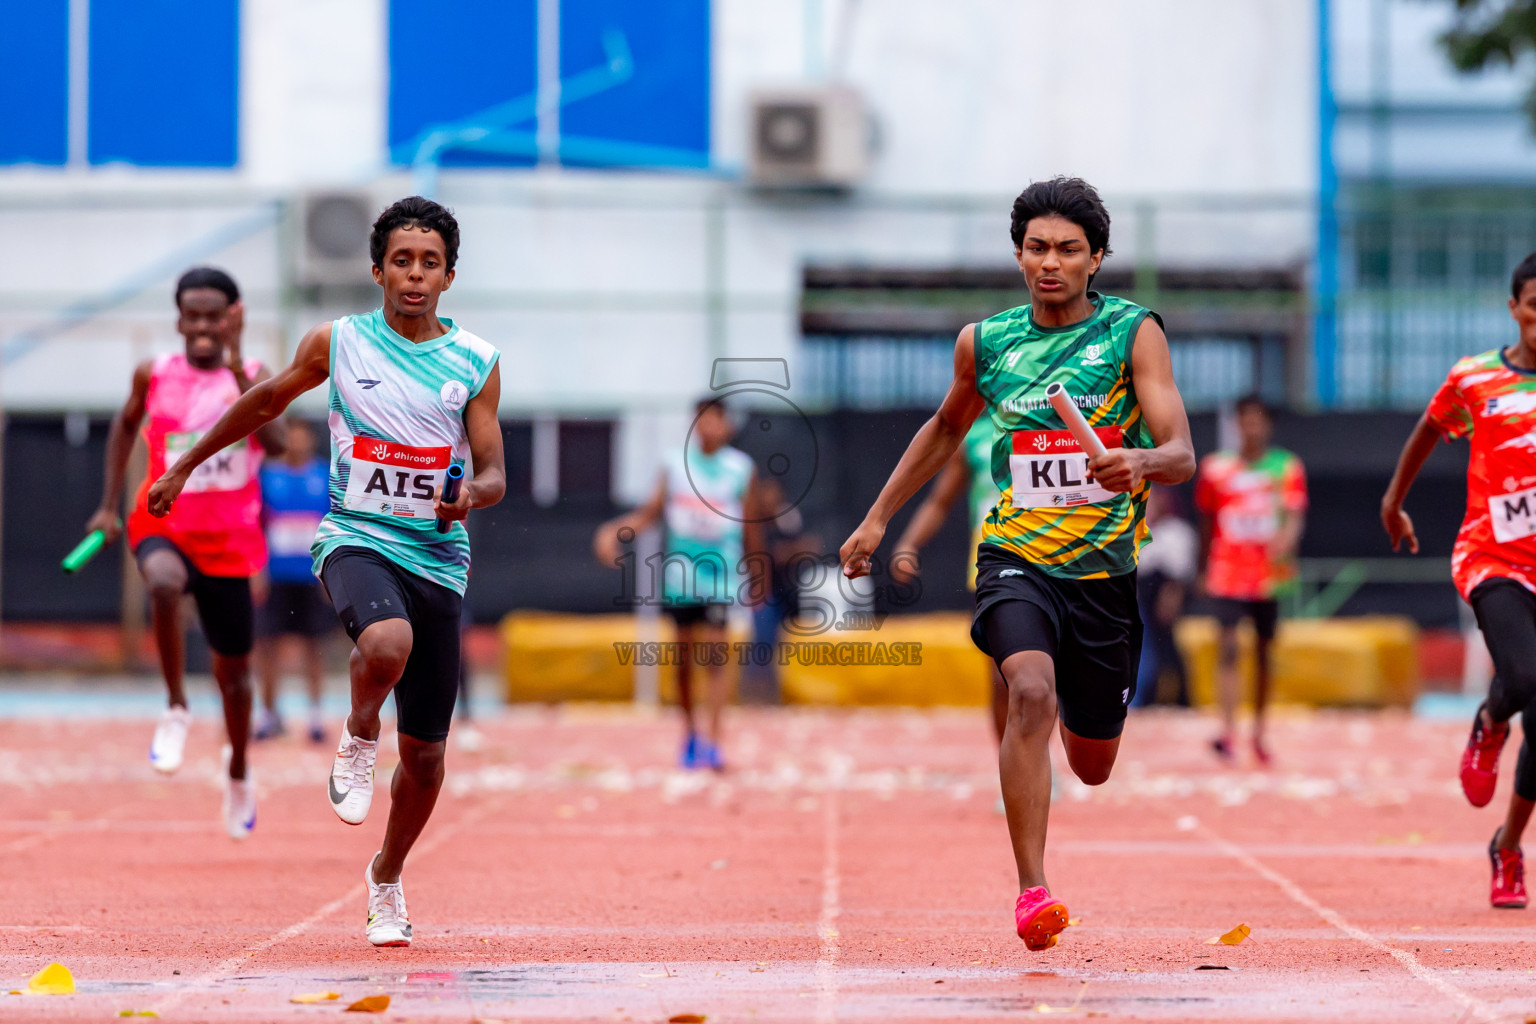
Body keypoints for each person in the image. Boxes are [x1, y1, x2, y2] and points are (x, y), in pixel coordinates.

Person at [839, 177, 1194, 951]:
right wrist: (877, 518)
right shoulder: (986, 342)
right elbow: (942, 429)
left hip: (1103, 572)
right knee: (1028, 690)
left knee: (1093, 763)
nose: (1051, 263)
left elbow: (1181, 453)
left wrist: (1138, 461)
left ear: (1097, 258)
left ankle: (1081, 728)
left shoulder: (1135, 334)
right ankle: (1033, 891)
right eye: (1037, 248)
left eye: (1069, 250)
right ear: (1018, 254)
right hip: (1013, 556)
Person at [147, 197, 505, 946]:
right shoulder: (338, 342)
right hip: (355, 537)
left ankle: (386, 877)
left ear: (447, 276)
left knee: (431, 758)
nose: (414, 275)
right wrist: (185, 464)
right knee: (384, 646)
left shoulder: (476, 361)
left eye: (429, 263)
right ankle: (358, 726)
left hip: (438, 556)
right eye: (401, 261)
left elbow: (496, 471)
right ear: (377, 269)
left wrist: (469, 493)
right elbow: (265, 400)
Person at [87, 267, 284, 840]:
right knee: (164, 584)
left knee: (236, 675)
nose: (202, 326)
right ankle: (175, 705)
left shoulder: (254, 376)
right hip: (163, 520)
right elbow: (124, 428)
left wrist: (238, 359)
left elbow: (274, 443)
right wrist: (106, 504)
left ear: (232, 317)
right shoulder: (153, 374)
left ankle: (239, 767)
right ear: (178, 319)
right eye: (192, 315)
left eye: (214, 316)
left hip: (228, 540)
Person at [1383, 250, 1536, 911]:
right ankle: (1491, 718)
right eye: (1535, 305)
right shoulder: (1475, 378)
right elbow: (1427, 428)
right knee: (1526, 681)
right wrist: (1394, 501)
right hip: (1492, 559)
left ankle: (1507, 847)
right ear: (1515, 308)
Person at [593, 398, 762, 770]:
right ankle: (690, 734)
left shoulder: (740, 468)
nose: (709, 426)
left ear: (727, 425)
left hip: (722, 578)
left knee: (716, 660)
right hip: (681, 579)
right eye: (701, 419)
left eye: (716, 418)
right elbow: (651, 513)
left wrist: (757, 576)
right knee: (684, 664)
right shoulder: (675, 466)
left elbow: (751, 525)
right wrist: (615, 531)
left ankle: (715, 741)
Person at [1194, 395, 1307, 764]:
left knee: (1263, 652)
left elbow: (1293, 516)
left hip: (1268, 576)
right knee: (1227, 647)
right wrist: (1202, 567)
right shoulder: (1215, 469)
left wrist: (1284, 543)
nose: (1251, 427)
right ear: (1236, 424)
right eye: (1245, 420)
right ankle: (1227, 731)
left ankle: (1258, 731)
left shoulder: (1286, 467)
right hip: (1226, 572)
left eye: (1258, 420)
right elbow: (1207, 522)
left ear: (1267, 425)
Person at [891, 418, 1010, 759]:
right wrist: (908, 544)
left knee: (1052, 675)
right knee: (1005, 678)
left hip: (1056, 560)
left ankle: (1041, 758)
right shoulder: (975, 437)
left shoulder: (1058, 418)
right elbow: (939, 502)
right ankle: (1016, 763)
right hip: (994, 565)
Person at [254, 416, 333, 744]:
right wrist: (256, 573)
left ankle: (315, 716)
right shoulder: (267, 477)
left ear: (311, 441)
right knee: (268, 647)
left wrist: (330, 574)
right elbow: (256, 527)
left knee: (313, 647)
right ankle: (269, 714)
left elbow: (335, 525)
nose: (297, 445)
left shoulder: (325, 476)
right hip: (275, 577)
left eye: (302, 438)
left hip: (311, 577)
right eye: (292, 438)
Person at [1130, 486, 1196, 708]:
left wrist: (1170, 599)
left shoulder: (1175, 531)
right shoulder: (1141, 530)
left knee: (1167, 647)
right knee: (1148, 649)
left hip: (1165, 593)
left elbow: (1178, 574)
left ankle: (1181, 698)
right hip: (1144, 597)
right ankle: (1149, 696)